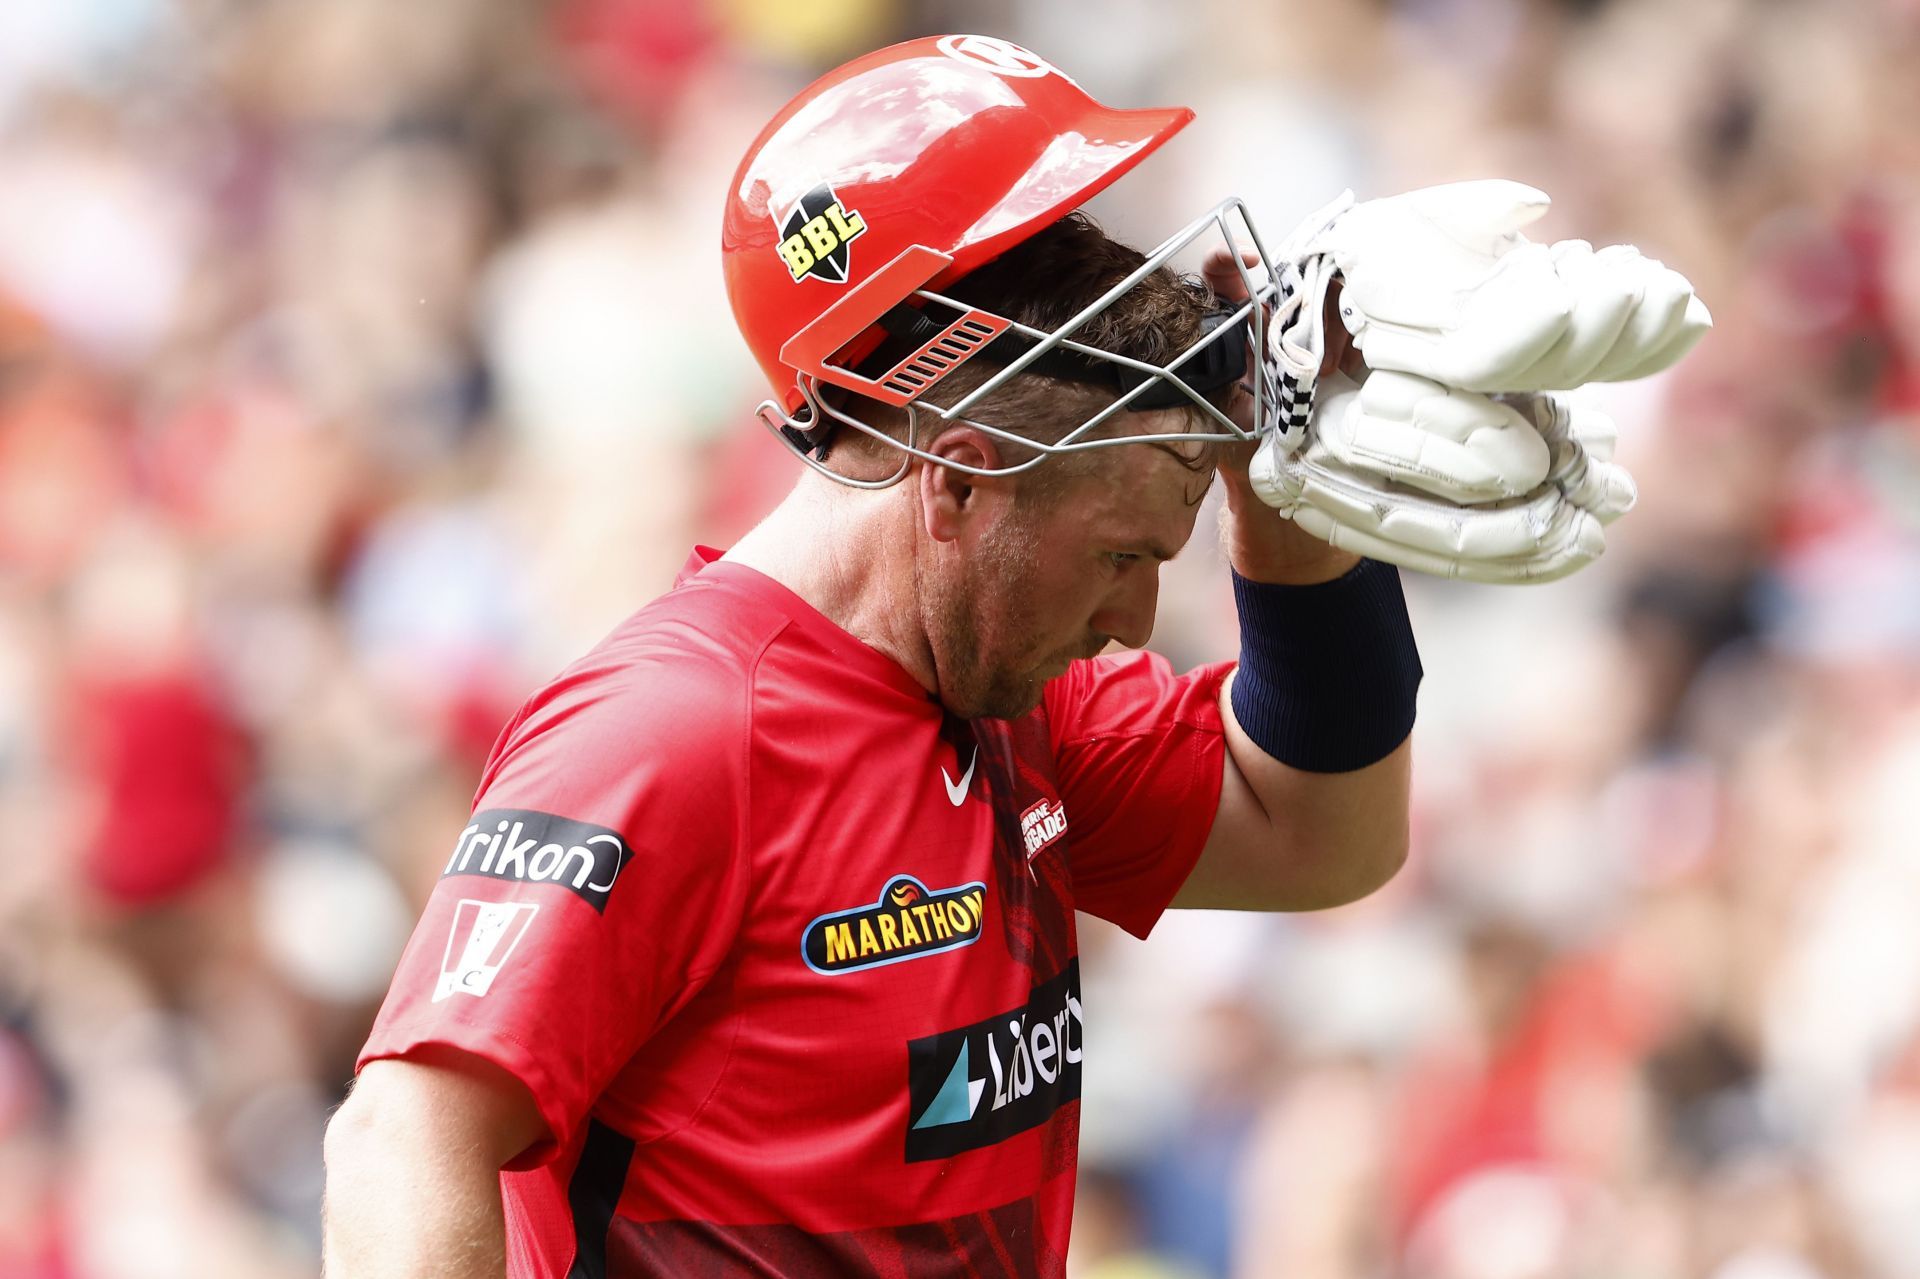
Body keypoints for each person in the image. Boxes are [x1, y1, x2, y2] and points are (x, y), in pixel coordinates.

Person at [321, 34, 1421, 1278]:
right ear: (955, 478)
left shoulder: (1019, 697)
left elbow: (1328, 833)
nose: (1133, 618)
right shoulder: (672, 733)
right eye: (1121, 555)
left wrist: (1289, 484)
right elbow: (402, 1139)